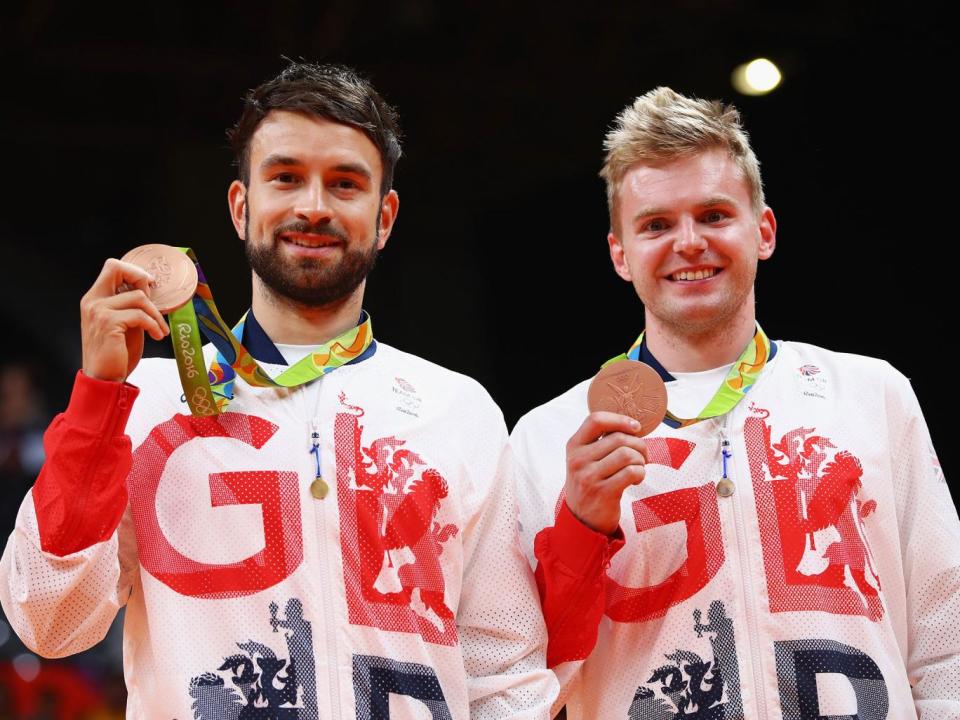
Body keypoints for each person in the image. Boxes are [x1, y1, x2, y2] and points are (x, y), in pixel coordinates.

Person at [0, 61, 556, 719]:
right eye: (285, 177)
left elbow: (504, 675)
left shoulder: (457, 409)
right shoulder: (146, 400)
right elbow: (49, 618)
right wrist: (97, 399)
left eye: (345, 184)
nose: (313, 206)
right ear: (242, 206)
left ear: (385, 216)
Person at [511, 87, 960, 719]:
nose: (688, 242)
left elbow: (947, 636)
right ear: (620, 255)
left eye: (715, 215)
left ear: (764, 231)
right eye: (656, 225)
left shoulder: (871, 393)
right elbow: (518, 681)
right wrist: (582, 530)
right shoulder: (548, 436)